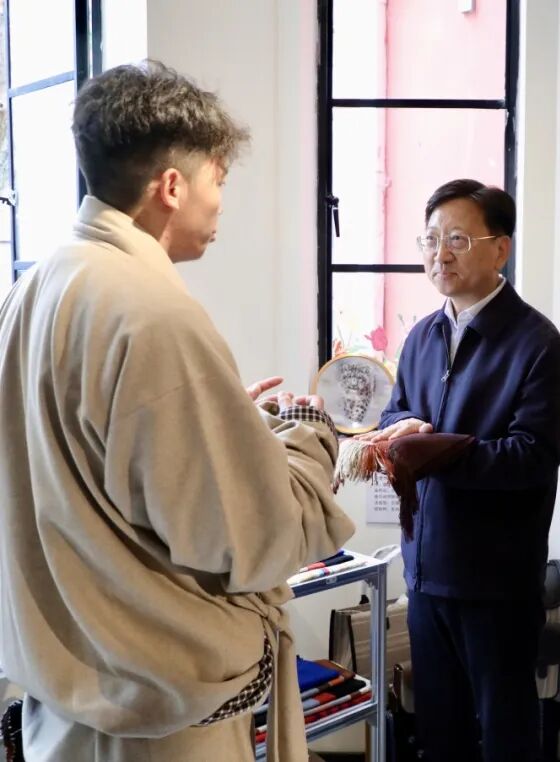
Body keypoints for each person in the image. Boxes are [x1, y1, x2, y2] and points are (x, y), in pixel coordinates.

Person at [0, 61, 355, 762]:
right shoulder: (152, 312)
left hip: (70, 694)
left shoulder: (35, 287)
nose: (220, 205)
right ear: (171, 186)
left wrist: (225, 426)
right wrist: (305, 433)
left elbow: (100, 458)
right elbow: (252, 534)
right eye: (217, 180)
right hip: (152, 715)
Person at [361, 179, 560, 761]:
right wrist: (406, 432)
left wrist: (434, 450)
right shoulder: (422, 335)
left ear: (500, 248)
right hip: (426, 572)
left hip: (496, 581)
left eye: (457, 239)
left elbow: (532, 456)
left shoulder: (537, 344)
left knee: (506, 735)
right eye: (431, 240)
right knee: (439, 734)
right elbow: (397, 414)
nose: (440, 254)